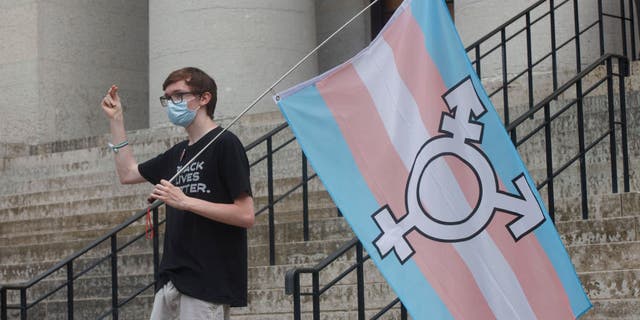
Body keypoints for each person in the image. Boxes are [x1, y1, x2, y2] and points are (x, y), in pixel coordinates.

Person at [100, 67, 254, 320]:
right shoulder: (178, 152)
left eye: (179, 95)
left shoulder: (225, 144)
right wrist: (116, 120)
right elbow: (128, 173)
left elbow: (246, 214)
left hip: (207, 281)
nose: (172, 103)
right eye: (168, 98)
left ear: (204, 98)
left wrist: (185, 201)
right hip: (171, 278)